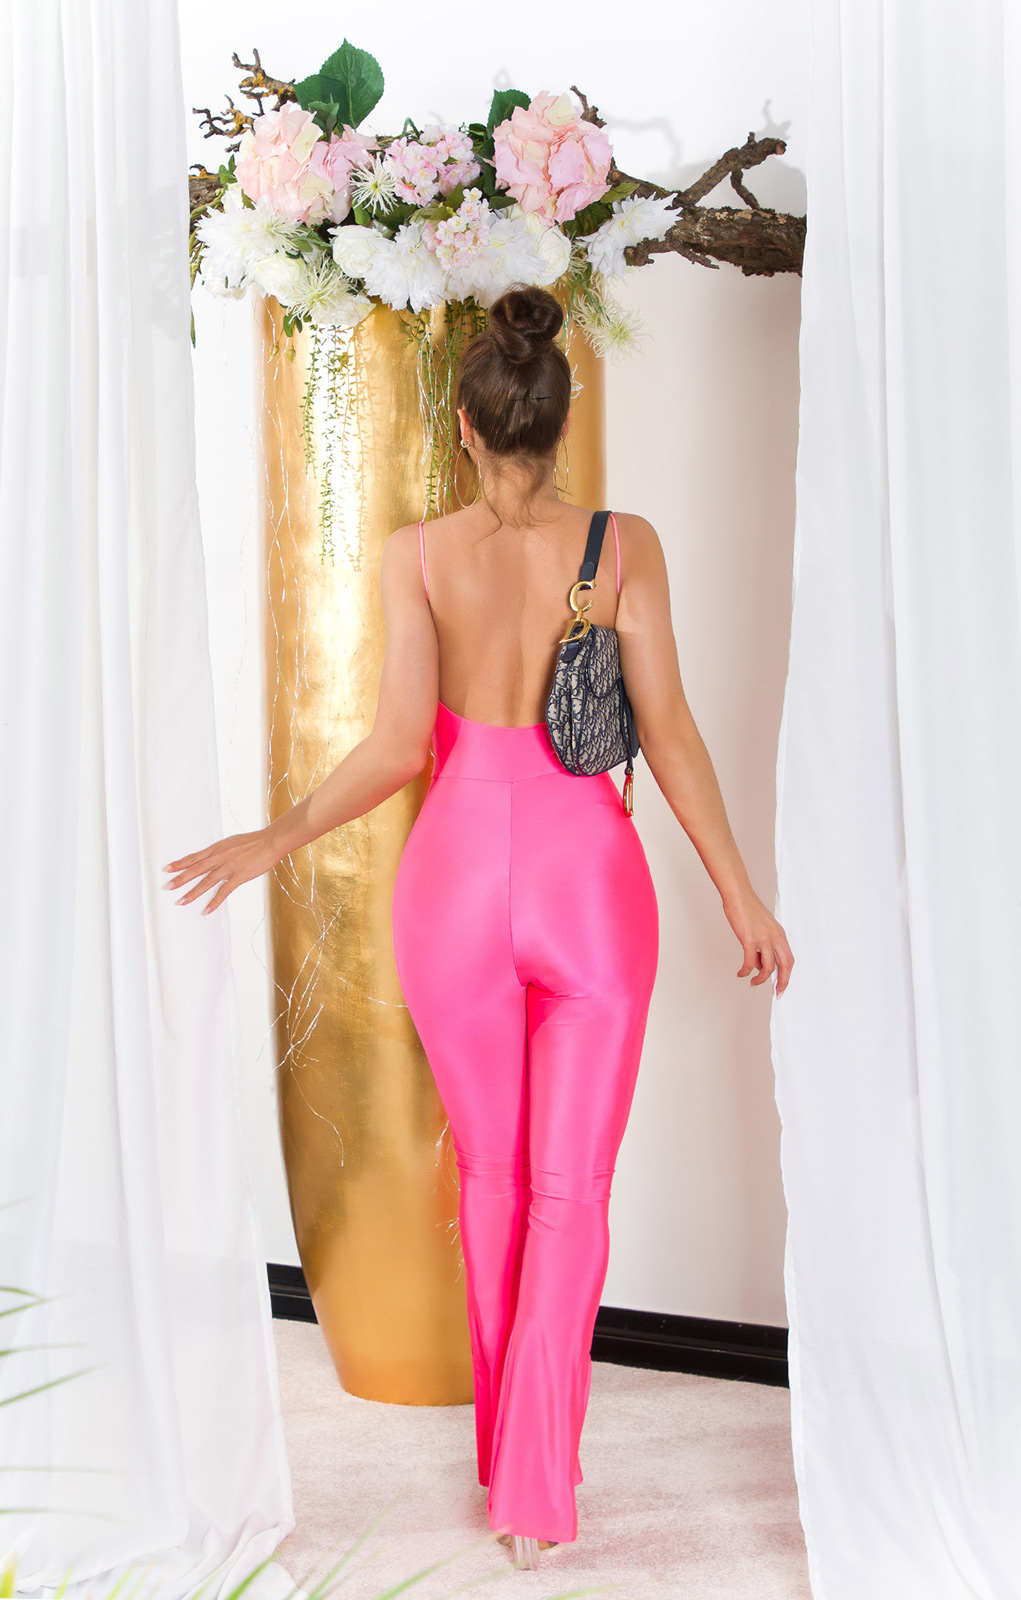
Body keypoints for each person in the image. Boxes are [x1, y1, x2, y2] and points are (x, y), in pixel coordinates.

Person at [163, 283, 794, 1569]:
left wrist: (274, 836)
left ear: (463, 423)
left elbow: (398, 746)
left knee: (493, 1182)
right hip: (589, 888)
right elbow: (668, 733)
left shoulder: (418, 555)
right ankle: (534, 1489)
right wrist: (738, 887)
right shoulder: (624, 547)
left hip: (450, 885)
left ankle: (514, 1467)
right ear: (560, 420)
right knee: (571, 1194)